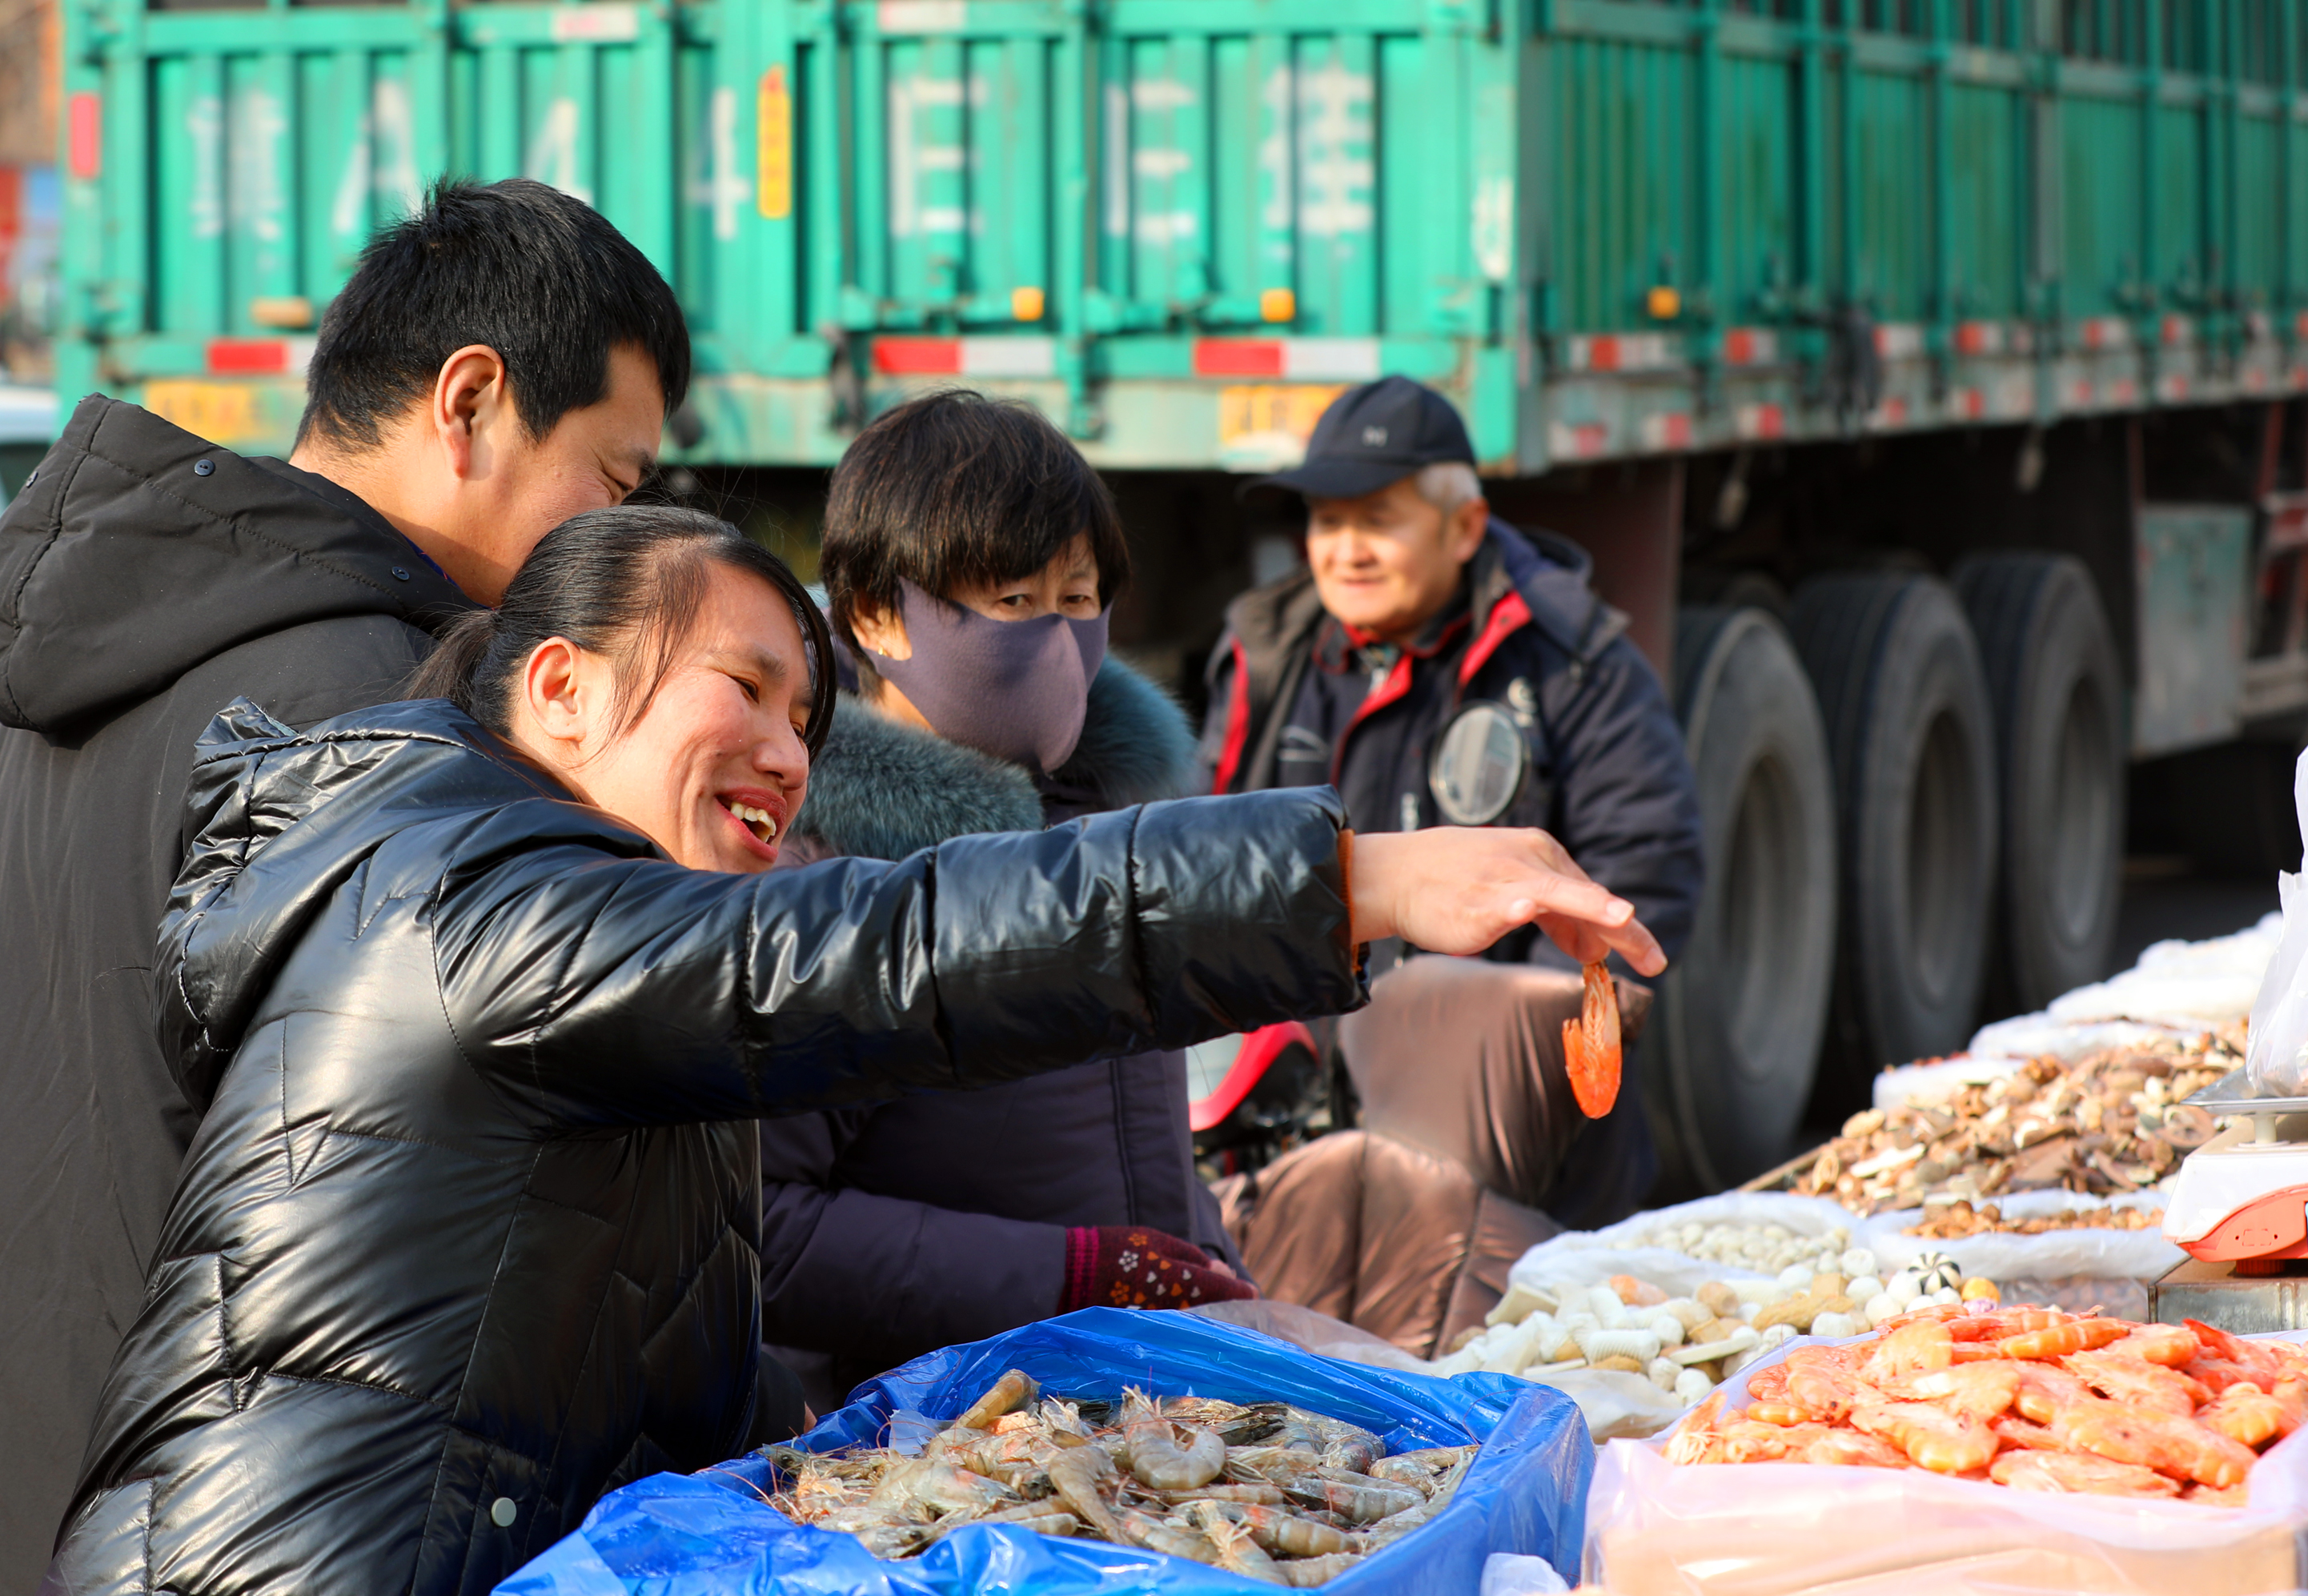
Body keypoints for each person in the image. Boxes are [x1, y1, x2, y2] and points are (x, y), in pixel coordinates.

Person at [42, 505, 1661, 1596]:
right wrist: (1348, 880)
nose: (782, 754)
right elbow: (904, 946)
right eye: (743, 686)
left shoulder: (577, 958)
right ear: (561, 688)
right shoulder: (481, 905)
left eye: (806, 721)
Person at [0, 177, 685, 1589]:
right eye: (615, 485)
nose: (615, 548)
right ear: (470, 401)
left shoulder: (63, 669)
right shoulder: (388, 720)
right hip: (236, 1520)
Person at [761, 391, 1251, 1418]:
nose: (1061, 640)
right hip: (937, 1445)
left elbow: (1137, 1142)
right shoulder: (818, 877)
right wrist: (1072, 1274)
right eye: (1016, 602)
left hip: (1128, 1420)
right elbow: (764, 1229)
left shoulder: (1114, 831)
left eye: (1081, 598)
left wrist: (1202, 1265)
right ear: (876, 615)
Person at [1198, 375, 1705, 1233]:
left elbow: (1644, 869)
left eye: (1378, 520)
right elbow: (1203, 863)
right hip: (1304, 1143)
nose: (1347, 551)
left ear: (1465, 527)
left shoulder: (1571, 657)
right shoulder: (1266, 648)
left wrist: (1508, 1075)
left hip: (1521, 1164)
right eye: (1327, 522)